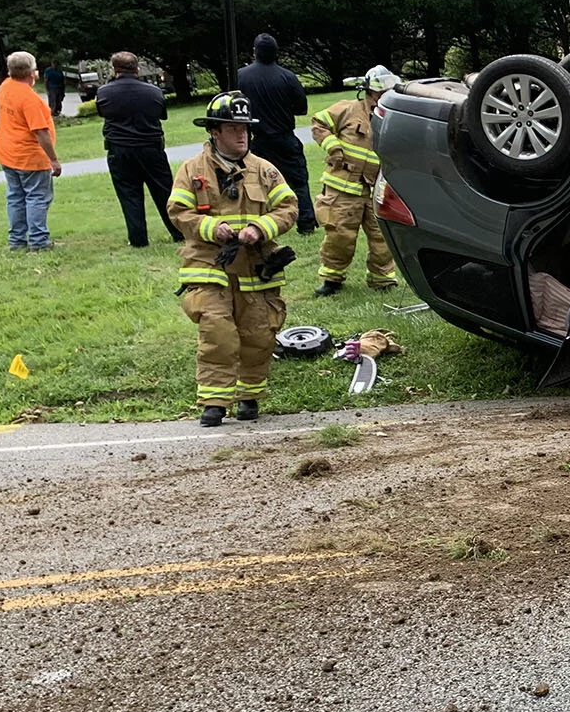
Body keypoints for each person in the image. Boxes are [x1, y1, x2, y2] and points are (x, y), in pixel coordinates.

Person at [164, 92, 299, 426]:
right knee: (218, 332)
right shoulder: (192, 171)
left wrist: (261, 228)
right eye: (232, 128)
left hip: (256, 268)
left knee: (258, 335)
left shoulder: (265, 171)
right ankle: (214, 402)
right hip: (210, 264)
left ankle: (249, 396)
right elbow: (177, 211)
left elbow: (289, 207)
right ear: (214, 131)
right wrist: (211, 228)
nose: (242, 135)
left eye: (245, 128)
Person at [308, 65, 401, 295]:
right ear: (369, 92)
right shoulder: (348, 109)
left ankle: (383, 280)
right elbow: (318, 123)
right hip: (343, 188)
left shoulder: (395, 117)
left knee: (382, 238)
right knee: (340, 235)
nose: (383, 98)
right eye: (380, 94)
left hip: (378, 189)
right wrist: (333, 146)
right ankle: (332, 279)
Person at [95, 52, 178, 248]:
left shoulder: (104, 93)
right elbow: (161, 115)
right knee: (164, 191)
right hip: (151, 147)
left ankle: (138, 239)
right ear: (137, 68)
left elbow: (102, 113)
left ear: (114, 70)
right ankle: (178, 231)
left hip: (120, 149)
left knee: (129, 194)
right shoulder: (154, 92)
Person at [236, 33, 317, 235]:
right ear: (276, 53)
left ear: (255, 52)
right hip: (284, 137)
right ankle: (306, 222)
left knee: (255, 183)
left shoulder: (240, 76)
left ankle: (258, 224)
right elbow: (301, 108)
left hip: (257, 140)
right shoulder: (287, 77)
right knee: (298, 182)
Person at [0, 53, 64, 251]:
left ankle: (16, 241)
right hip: (29, 156)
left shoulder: (5, 87)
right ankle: (39, 241)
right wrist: (54, 160)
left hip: (7, 151)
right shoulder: (30, 99)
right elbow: (41, 132)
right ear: (33, 72)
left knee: (15, 197)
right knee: (37, 197)